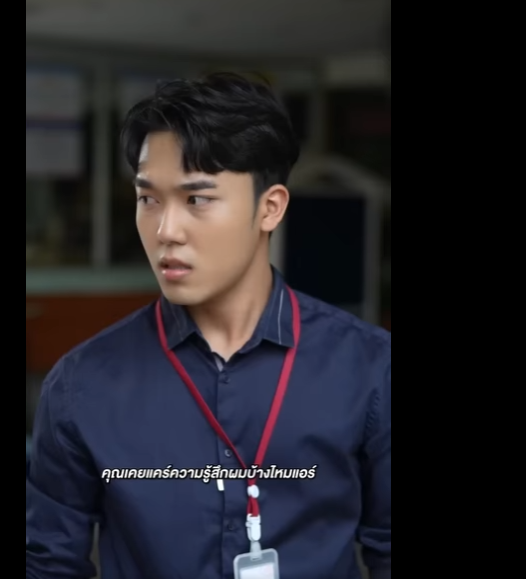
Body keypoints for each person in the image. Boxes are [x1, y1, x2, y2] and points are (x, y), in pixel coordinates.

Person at [26, 72, 391, 579]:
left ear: (270, 208)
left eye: (197, 199)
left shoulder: (370, 368)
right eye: (148, 199)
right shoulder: (80, 385)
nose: (165, 231)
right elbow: (48, 564)